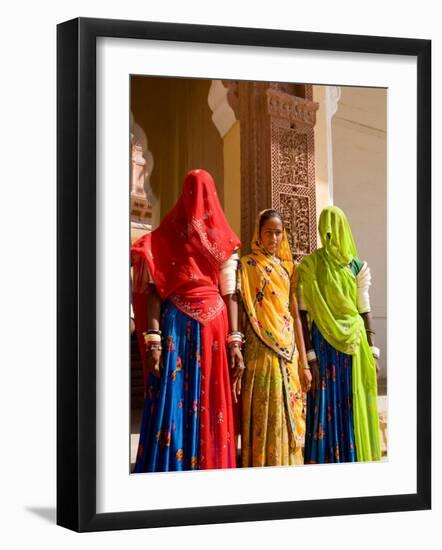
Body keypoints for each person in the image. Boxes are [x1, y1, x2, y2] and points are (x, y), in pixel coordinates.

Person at [131, 169, 244, 472]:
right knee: (174, 401)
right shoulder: (167, 236)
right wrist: (152, 338)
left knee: (211, 403)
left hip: (210, 331)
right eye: (193, 191)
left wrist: (236, 340)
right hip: (178, 329)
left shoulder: (222, 240)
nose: (197, 199)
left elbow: (230, 290)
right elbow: (155, 285)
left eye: (202, 191)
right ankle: (173, 468)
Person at [298, 205, 381, 463]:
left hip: (355, 347)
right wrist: (310, 355)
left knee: (351, 402)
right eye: (326, 231)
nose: (329, 236)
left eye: (334, 230)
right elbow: (302, 312)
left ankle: (352, 459)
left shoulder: (357, 266)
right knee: (325, 402)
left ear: (344, 230)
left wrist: (374, 349)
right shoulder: (310, 265)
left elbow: (364, 308)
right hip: (323, 345)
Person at [237, 209, 311, 467]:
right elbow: (244, 309)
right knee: (265, 405)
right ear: (258, 233)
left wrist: (303, 361)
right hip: (260, 346)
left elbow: (295, 315)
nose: (274, 237)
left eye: (278, 232)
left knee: (287, 406)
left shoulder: (289, 269)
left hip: (288, 348)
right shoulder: (247, 266)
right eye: (268, 232)